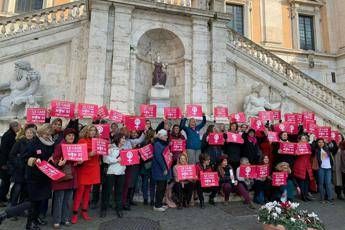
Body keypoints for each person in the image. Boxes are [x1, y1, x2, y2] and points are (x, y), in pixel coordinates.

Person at [25, 124, 54, 230]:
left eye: (49, 132)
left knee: (41, 199)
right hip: (34, 176)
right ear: (41, 132)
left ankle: (36, 218)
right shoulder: (34, 142)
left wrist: (52, 158)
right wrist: (33, 159)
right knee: (34, 200)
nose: (48, 134)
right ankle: (30, 223)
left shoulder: (51, 143)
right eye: (46, 132)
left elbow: (51, 155)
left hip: (45, 175)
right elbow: (25, 156)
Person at [71, 125, 100, 224]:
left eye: (94, 130)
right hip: (83, 169)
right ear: (87, 131)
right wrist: (89, 155)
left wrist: (108, 148)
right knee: (80, 191)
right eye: (91, 130)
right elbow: (78, 156)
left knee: (88, 191)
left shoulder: (98, 141)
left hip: (93, 168)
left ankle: (84, 211)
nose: (93, 132)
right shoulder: (82, 141)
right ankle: (75, 213)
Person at [51, 128, 78, 229]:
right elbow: (54, 159)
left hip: (71, 176)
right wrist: (59, 163)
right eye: (69, 135)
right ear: (65, 136)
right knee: (59, 200)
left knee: (68, 200)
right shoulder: (60, 146)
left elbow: (76, 161)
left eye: (73, 135)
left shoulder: (75, 147)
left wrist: (78, 162)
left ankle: (65, 218)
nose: (71, 137)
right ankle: (57, 220)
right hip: (61, 176)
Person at [8, 126, 36, 215]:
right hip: (19, 170)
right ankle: (12, 209)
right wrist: (18, 163)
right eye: (28, 132)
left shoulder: (35, 143)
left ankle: (20, 209)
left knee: (25, 191)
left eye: (31, 133)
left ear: (34, 134)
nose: (29, 134)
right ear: (25, 133)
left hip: (29, 170)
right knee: (17, 189)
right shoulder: (20, 142)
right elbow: (11, 155)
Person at [100, 133, 126, 218]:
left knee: (119, 192)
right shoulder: (110, 147)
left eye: (124, 138)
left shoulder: (124, 149)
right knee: (107, 192)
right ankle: (103, 209)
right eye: (122, 138)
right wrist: (116, 160)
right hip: (111, 173)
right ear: (118, 138)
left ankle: (119, 209)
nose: (124, 140)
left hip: (121, 173)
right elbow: (105, 159)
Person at [0, 121, 21, 206]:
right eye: (19, 126)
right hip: (5, 162)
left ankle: (3, 197)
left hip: (6, 162)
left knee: (7, 182)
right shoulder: (9, 135)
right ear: (14, 127)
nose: (19, 128)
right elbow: (4, 151)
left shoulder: (11, 134)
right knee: (5, 182)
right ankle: (0, 199)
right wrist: (3, 164)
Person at [152, 129, 171, 212]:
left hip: (164, 168)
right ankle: (157, 205)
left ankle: (160, 203)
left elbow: (165, 155)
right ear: (160, 136)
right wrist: (164, 168)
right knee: (160, 187)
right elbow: (159, 157)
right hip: (160, 168)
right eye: (165, 135)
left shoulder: (162, 144)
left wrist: (170, 154)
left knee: (163, 187)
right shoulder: (157, 144)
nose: (167, 137)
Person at [293, 135, 315, 202]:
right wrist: (296, 153)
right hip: (300, 164)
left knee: (307, 181)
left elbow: (312, 153)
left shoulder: (309, 146)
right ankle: (302, 196)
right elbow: (294, 155)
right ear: (300, 139)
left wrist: (314, 141)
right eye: (302, 138)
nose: (304, 139)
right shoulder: (297, 146)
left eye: (305, 138)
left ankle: (306, 195)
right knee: (302, 181)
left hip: (307, 165)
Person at [315, 138, 334, 204]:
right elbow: (312, 146)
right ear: (317, 143)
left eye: (322, 142)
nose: (320, 143)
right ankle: (322, 198)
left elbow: (334, 147)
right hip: (321, 168)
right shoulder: (317, 150)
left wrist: (330, 141)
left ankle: (330, 198)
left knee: (328, 183)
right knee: (321, 183)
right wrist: (314, 139)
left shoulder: (327, 148)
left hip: (328, 168)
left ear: (324, 143)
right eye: (319, 142)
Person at [140, 129, 156, 206]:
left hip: (145, 165)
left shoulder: (144, 143)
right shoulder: (155, 143)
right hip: (151, 165)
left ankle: (145, 199)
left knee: (145, 183)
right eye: (155, 134)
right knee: (151, 183)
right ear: (152, 135)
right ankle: (152, 199)